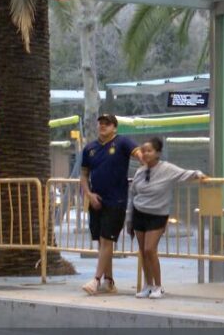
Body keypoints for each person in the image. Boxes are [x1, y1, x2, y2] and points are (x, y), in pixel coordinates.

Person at [125, 137, 207, 299]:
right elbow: (133, 193)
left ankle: (158, 285)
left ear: (158, 153)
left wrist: (198, 174)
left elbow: (184, 174)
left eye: (149, 151)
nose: (146, 154)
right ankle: (147, 285)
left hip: (157, 214)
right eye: (144, 151)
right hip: (139, 212)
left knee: (150, 249)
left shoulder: (167, 169)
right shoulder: (140, 171)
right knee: (143, 251)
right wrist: (129, 219)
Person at [80, 114, 143, 295]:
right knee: (102, 242)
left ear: (114, 127)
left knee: (107, 240)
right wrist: (89, 194)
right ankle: (109, 280)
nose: (103, 126)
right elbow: (84, 175)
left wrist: (144, 160)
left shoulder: (122, 142)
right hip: (96, 201)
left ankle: (96, 280)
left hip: (116, 200)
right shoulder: (90, 148)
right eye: (101, 123)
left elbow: (138, 153)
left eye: (107, 124)